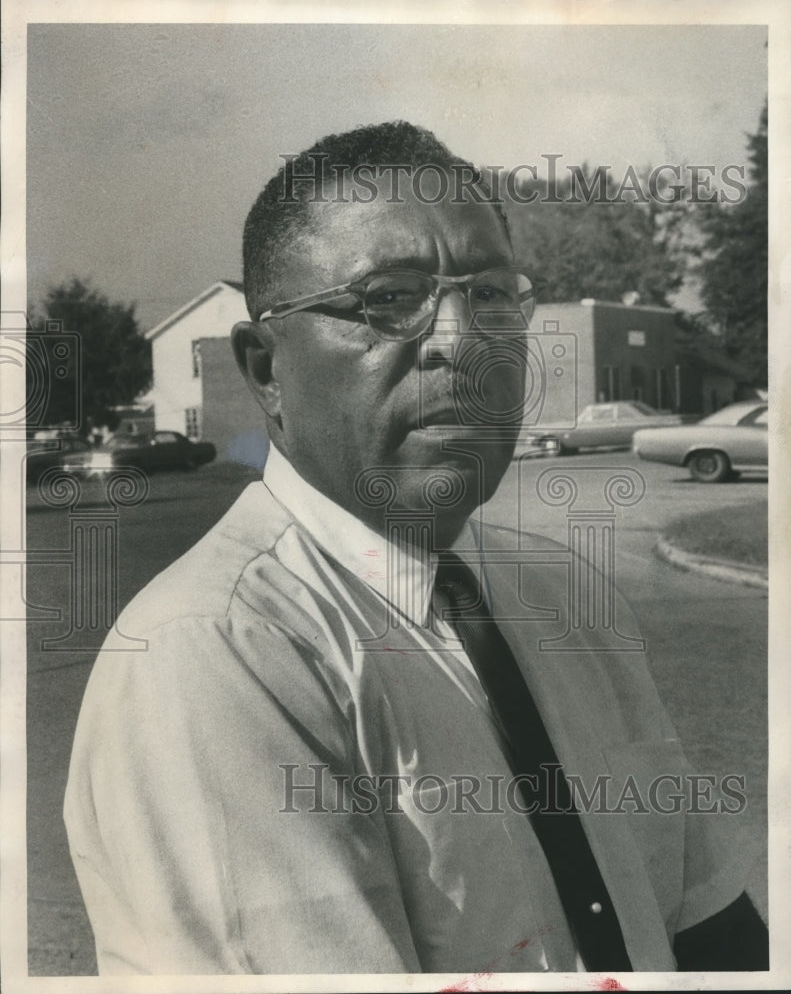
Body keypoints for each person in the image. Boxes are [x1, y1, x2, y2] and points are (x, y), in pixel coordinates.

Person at [64, 121, 767, 976]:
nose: (459, 340)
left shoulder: (560, 591)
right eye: (387, 300)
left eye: (491, 295)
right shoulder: (216, 652)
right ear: (264, 371)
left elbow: (706, 923)